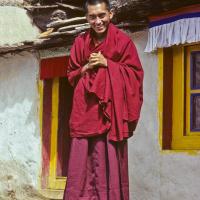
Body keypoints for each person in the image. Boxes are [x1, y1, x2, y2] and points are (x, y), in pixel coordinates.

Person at [63, 0, 144, 199]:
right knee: (81, 162)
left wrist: (108, 63)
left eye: (102, 15)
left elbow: (135, 74)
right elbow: (71, 75)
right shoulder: (80, 43)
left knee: (107, 160)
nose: (98, 21)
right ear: (86, 18)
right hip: (85, 112)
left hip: (110, 114)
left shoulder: (122, 42)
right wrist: (87, 67)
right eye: (92, 17)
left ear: (111, 14)